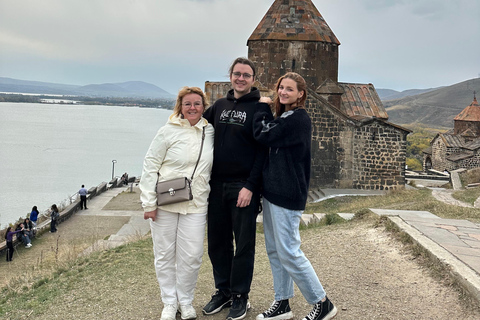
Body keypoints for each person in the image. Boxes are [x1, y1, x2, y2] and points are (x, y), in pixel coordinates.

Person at [253, 72, 337, 320]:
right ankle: (282, 303)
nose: (283, 92)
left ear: (301, 94)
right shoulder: (286, 116)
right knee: (275, 251)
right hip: (273, 193)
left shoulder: (298, 119)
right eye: (281, 88)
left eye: (289, 89)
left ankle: (322, 303)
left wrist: (261, 109)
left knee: (289, 251)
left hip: (288, 194)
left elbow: (264, 134)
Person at [202, 57, 272, 320]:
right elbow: (197, 128)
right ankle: (224, 291)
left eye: (246, 75)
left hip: (243, 187)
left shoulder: (260, 108)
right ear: (230, 76)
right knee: (217, 242)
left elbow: (263, 150)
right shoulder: (219, 105)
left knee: (243, 244)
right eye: (237, 74)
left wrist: (251, 186)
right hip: (216, 185)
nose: (241, 78)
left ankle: (241, 295)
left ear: (254, 79)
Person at [139, 86, 214, 320]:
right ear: (180, 107)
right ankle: (170, 303)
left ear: (204, 107)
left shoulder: (210, 131)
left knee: (192, 256)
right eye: (188, 104)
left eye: (197, 104)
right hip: (165, 202)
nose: (193, 108)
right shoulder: (167, 131)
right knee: (164, 254)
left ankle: (186, 301)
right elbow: (150, 165)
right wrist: (148, 203)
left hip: (197, 202)